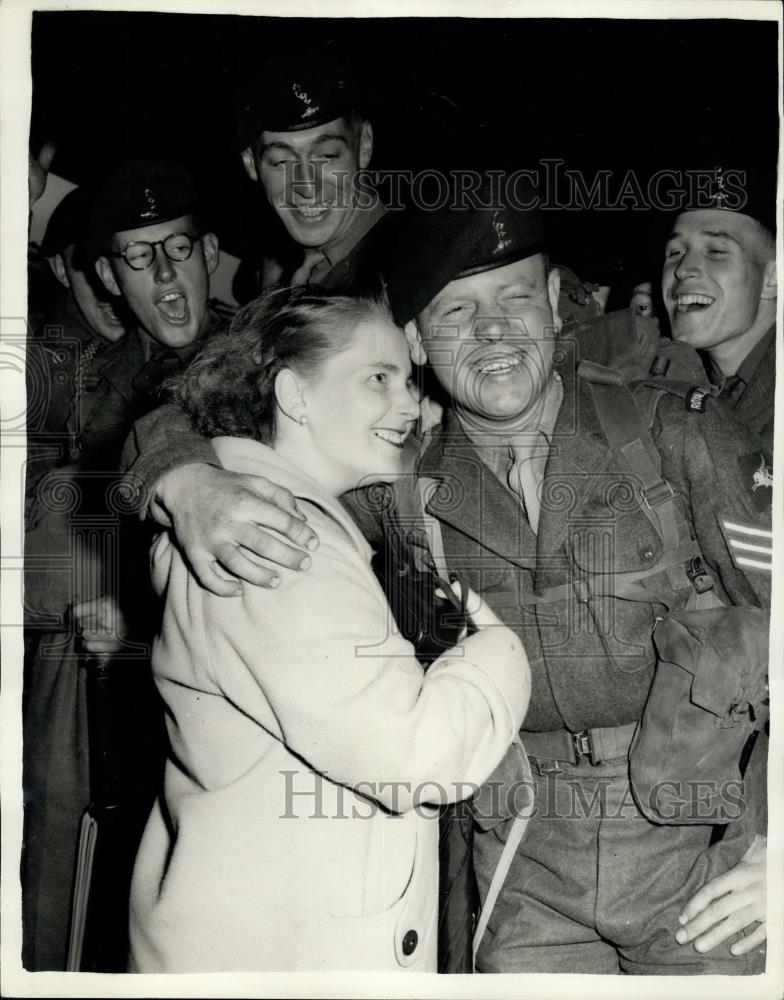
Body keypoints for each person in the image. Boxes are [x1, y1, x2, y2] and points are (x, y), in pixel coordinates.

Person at [128, 177, 771, 976]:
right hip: (524, 866)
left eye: (512, 299)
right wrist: (184, 481)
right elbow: (199, 400)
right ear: (417, 344)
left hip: (705, 853)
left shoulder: (673, 435)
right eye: (456, 312)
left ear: (555, 303)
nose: (493, 330)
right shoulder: (394, 487)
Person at [128, 290, 531, 972]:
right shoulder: (278, 539)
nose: (409, 404)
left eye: (408, 380)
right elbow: (412, 758)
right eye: (378, 379)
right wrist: (499, 656)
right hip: (293, 951)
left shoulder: (254, 509)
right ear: (295, 396)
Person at [234, 59, 388, 297]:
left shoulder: (410, 272)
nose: (306, 186)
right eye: (282, 162)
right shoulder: (302, 275)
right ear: (251, 165)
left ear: (365, 146)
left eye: (327, 156)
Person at [661, 165, 777, 453]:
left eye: (716, 251)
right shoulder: (676, 383)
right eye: (675, 253)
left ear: (772, 279)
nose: (683, 270)